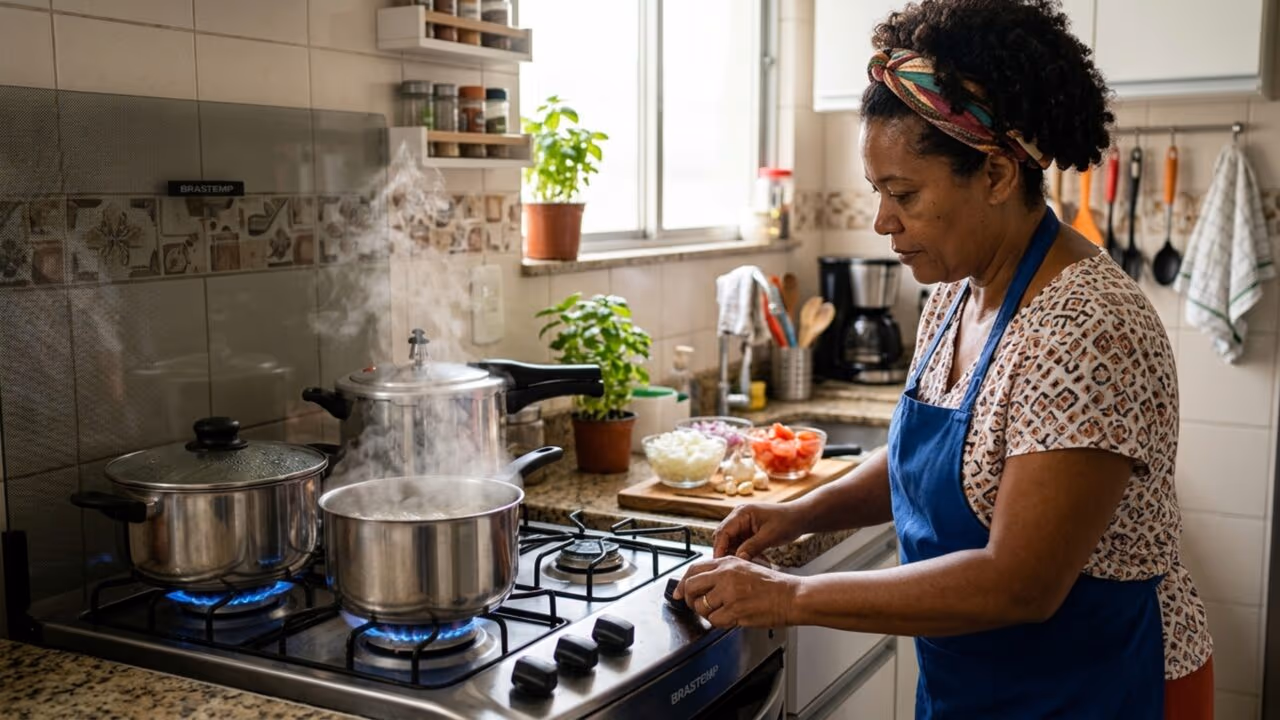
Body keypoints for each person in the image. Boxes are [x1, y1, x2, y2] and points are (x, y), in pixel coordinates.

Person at [672, 1, 1214, 717]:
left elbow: (1019, 583)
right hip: (979, 685)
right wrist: (799, 514)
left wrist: (790, 594)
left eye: (903, 194)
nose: (882, 222)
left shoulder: (1089, 328)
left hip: (1102, 685)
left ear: (993, 174)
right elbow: (924, 462)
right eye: (877, 192)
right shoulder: (956, 290)